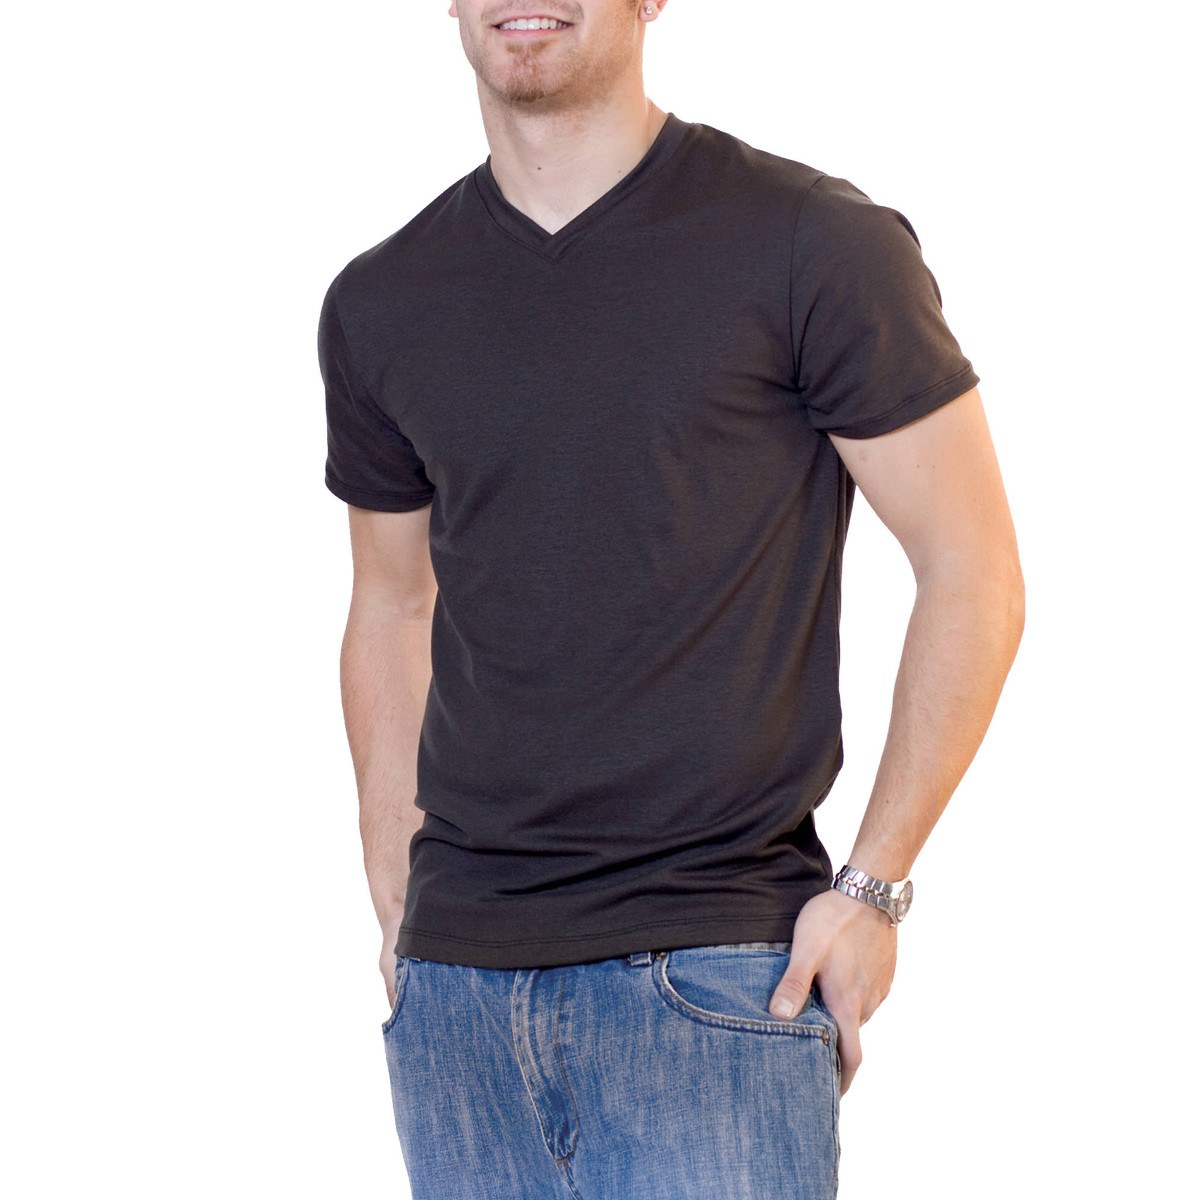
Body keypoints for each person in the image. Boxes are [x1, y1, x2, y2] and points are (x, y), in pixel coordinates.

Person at [317, 2, 1024, 1196]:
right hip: (459, 1005)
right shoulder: (382, 301)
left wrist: (872, 891)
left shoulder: (812, 244)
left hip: (718, 977)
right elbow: (392, 606)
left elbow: (973, 566)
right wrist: (398, 899)